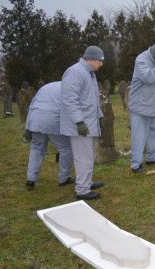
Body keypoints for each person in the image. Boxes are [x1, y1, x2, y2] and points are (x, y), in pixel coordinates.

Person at [61, 46, 104, 200]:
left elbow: (93, 99)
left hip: (89, 122)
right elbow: (70, 100)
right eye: (100, 60)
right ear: (90, 59)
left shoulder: (89, 73)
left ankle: (87, 182)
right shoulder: (75, 72)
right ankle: (82, 190)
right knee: (83, 157)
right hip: (80, 125)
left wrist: (99, 117)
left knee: (88, 155)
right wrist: (79, 122)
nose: (101, 64)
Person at [129, 43, 155, 173]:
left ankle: (153, 157)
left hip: (151, 104)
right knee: (139, 135)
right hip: (140, 105)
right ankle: (136, 165)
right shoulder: (141, 60)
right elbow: (149, 77)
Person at [23, 82, 73, 188]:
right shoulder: (68, 87)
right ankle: (64, 178)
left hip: (36, 118)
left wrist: (28, 127)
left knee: (37, 149)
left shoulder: (46, 87)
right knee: (66, 148)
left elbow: (32, 105)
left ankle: (31, 178)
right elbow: (70, 107)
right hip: (52, 119)